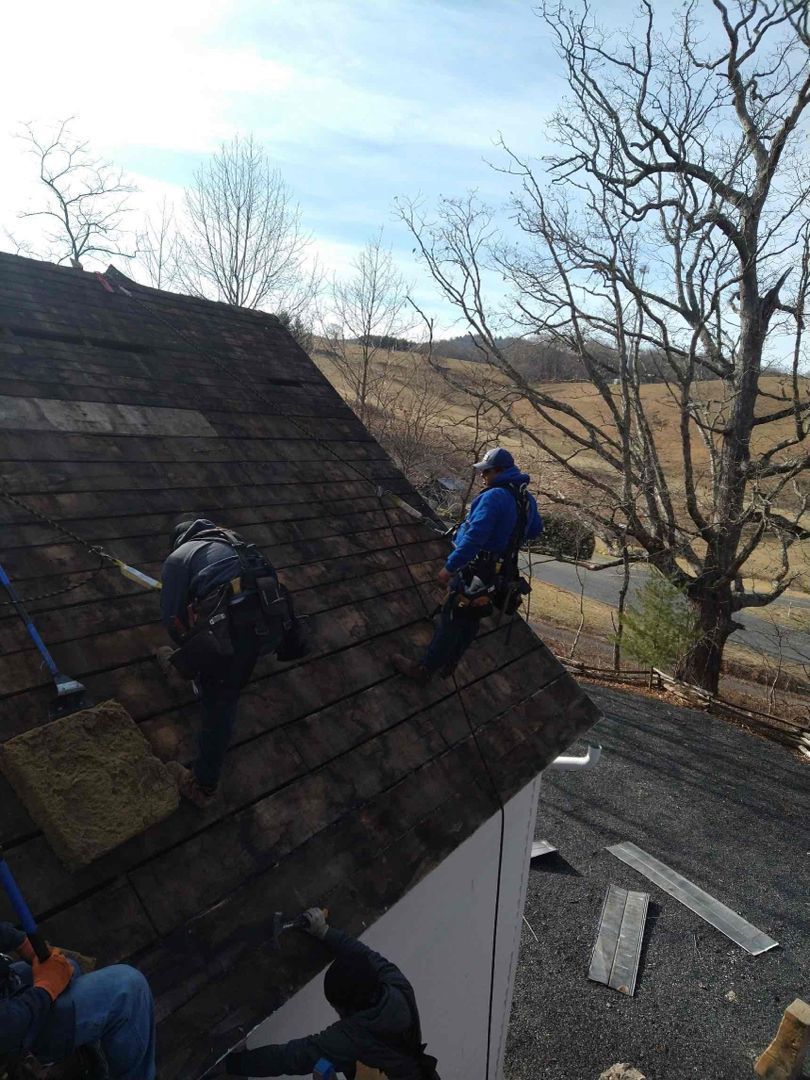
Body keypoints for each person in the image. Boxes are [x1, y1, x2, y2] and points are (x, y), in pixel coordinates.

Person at [158, 518, 309, 809]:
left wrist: (192, 650)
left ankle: (202, 785)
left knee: (220, 699)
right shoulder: (235, 543)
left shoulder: (178, 558)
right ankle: (215, 670)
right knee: (229, 661)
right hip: (276, 628)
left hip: (239, 634)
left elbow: (171, 619)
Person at [218, 909, 438, 1079]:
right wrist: (324, 931)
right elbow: (364, 955)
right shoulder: (396, 985)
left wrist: (229, 1064)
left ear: (348, 1007)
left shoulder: (352, 1039)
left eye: (335, 1007)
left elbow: (292, 1057)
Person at [392, 447, 542, 682]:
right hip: (499, 572)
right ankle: (450, 663)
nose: (482, 476)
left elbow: (474, 538)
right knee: (472, 617)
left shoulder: (494, 497)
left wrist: (449, 567)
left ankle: (424, 670)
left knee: (452, 617)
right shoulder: (526, 499)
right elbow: (534, 530)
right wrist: (508, 534)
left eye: (486, 472)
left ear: (500, 470)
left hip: (476, 569)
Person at [0, 923, 155, 1079]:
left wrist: (20, 942)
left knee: (69, 967)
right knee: (128, 989)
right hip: (10, 1031)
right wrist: (45, 989)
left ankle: (94, 1066)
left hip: (8, 990)